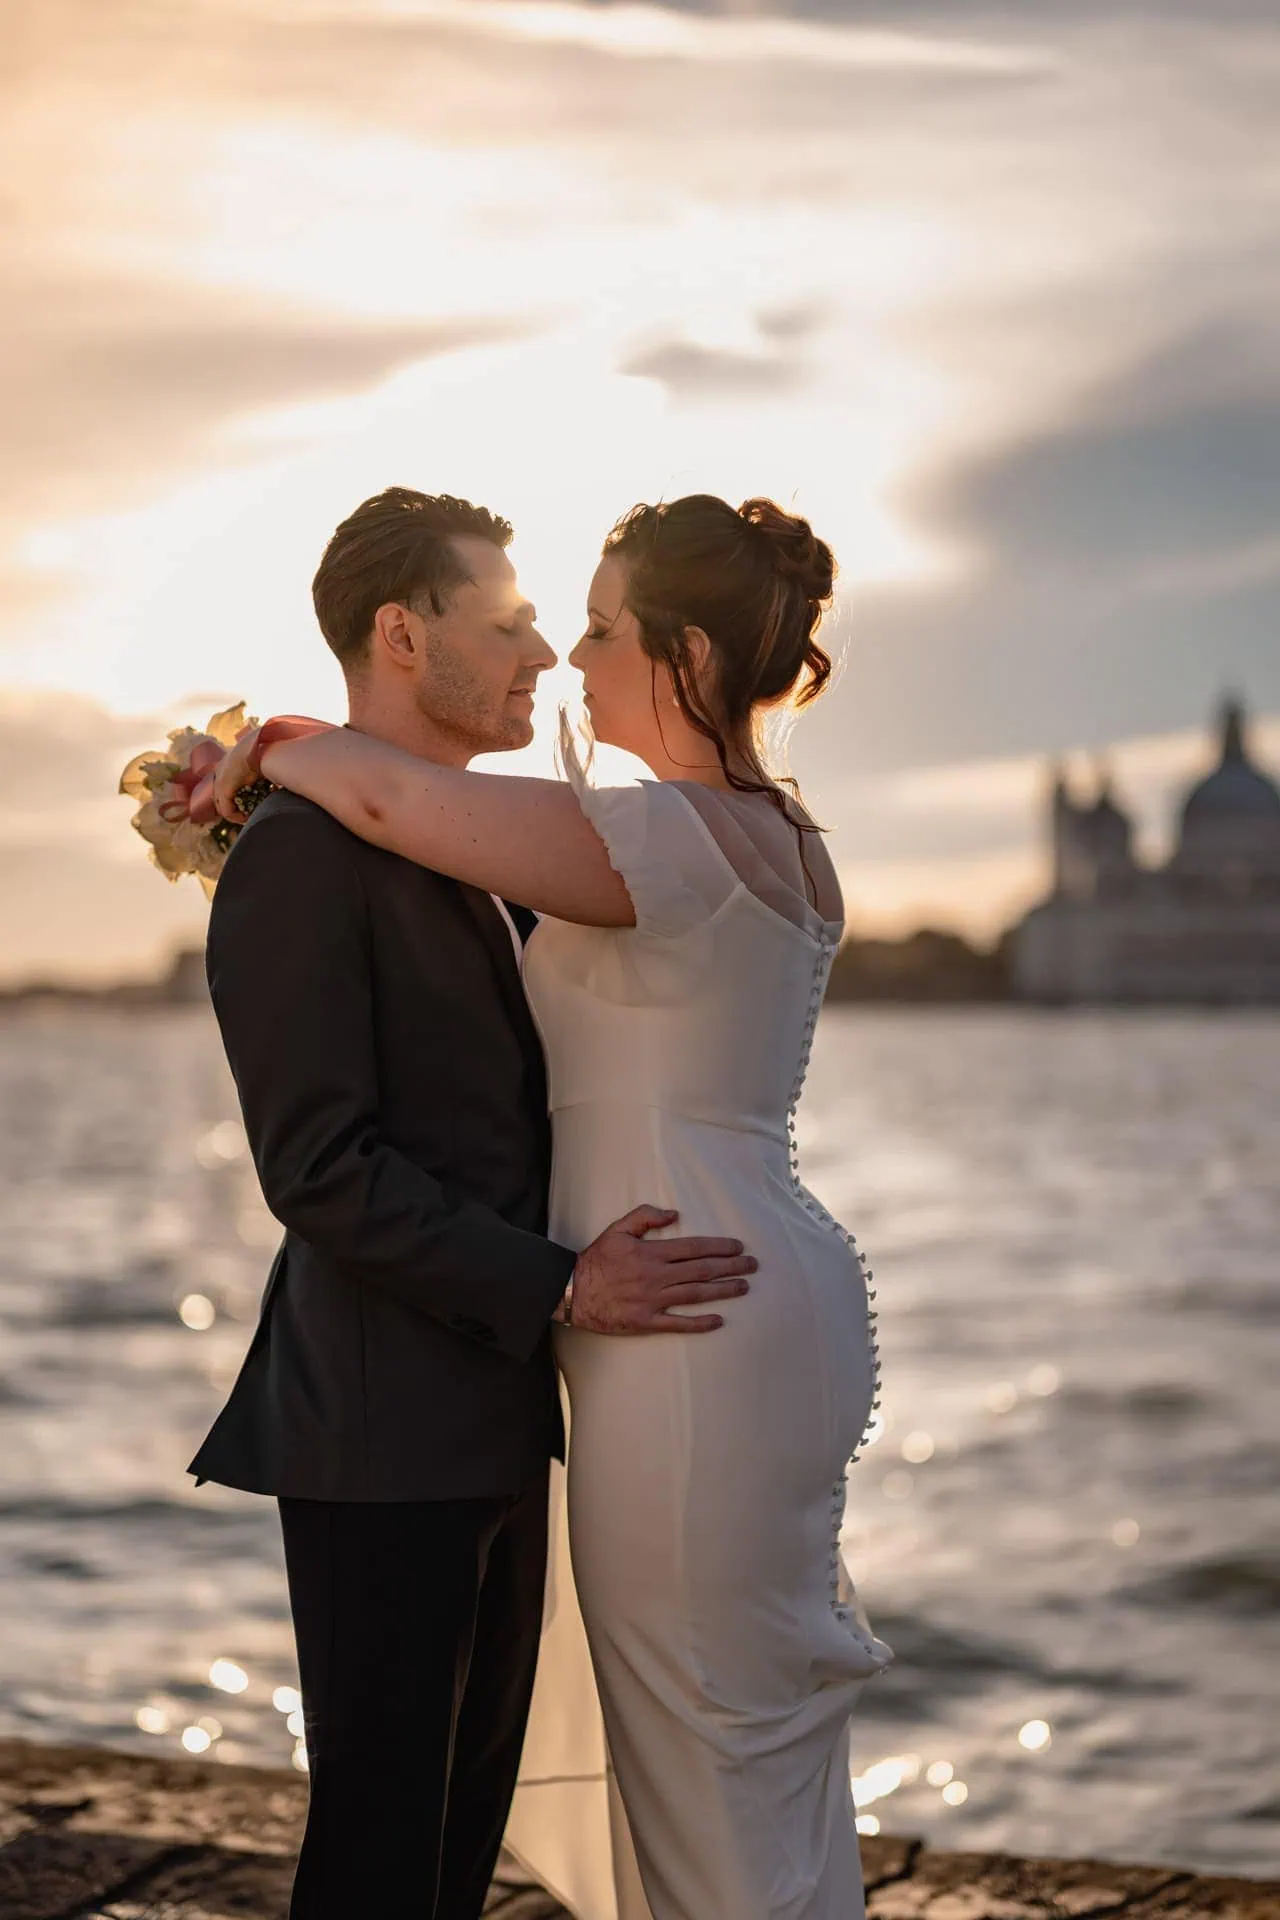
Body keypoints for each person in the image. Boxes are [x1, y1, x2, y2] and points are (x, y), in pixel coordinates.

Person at [209, 489, 891, 1920]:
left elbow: (401, 802)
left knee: (697, 1731)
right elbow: (321, 1162)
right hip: (473, 1381)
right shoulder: (716, 836)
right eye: (521, 622)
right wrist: (560, 1291)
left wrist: (260, 744)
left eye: (582, 626)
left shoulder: (640, 841)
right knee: (711, 1735)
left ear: (688, 655)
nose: (557, 657)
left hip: (655, 1323)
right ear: (404, 635)